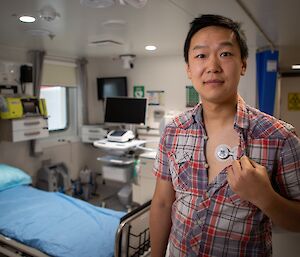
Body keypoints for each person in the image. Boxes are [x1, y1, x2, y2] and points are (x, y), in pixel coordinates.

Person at [150, 14, 300, 257]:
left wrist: (266, 198)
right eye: (200, 55)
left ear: (243, 64)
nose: (212, 66)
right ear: (189, 69)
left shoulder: (279, 138)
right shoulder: (173, 131)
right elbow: (162, 202)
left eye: (225, 54)